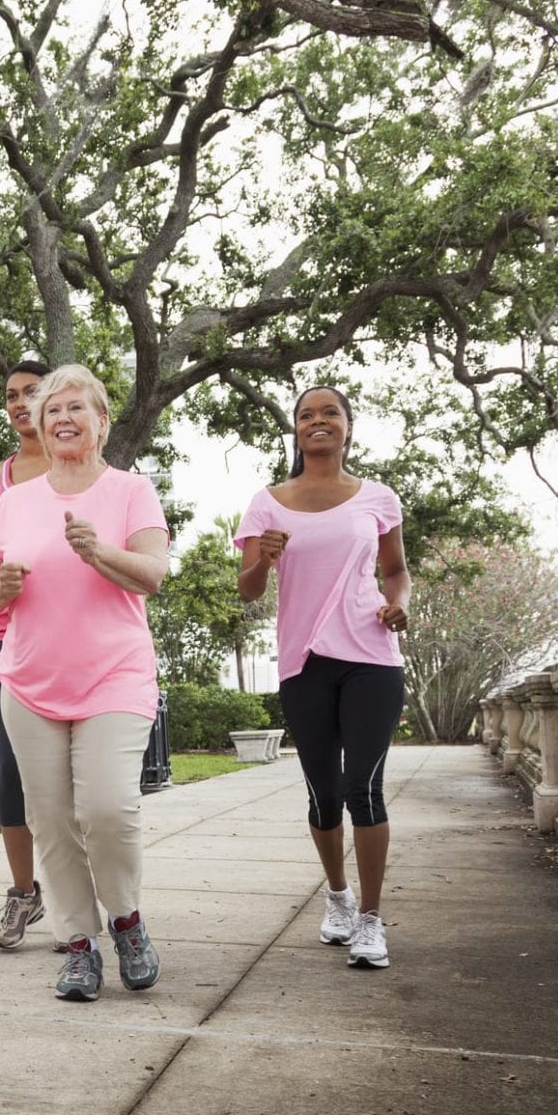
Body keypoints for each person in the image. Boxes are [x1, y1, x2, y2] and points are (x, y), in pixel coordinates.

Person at [0, 364, 169, 1001]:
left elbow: (154, 574)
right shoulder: (14, 503)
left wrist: (99, 552)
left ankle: (127, 920)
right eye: (52, 411)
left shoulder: (132, 491)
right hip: (28, 681)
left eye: (76, 408)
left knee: (107, 809)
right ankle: (79, 945)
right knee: (50, 821)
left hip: (114, 674)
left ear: (102, 421)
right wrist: (2, 588)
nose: (62, 419)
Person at [234, 385, 410, 970]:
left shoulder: (378, 497)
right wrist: (266, 557)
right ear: (296, 430)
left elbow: (396, 572)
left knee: (365, 787)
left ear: (348, 426)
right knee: (323, 792)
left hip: (372, 656)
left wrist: (397, 604)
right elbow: (248, 589)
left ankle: (371, 920)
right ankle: (338, 898)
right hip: (303, 663)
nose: (318, 421)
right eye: (306, 415)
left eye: (329, 413)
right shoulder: (268, 503)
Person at [0, 360, 52, 950]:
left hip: (73, 637)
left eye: (33, 392)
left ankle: (82, 894)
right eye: (12, 396)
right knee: (12, 772)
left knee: (72, 775)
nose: (21, 403)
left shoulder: (88, 470)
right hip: (9, 637)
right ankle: (24, 893)